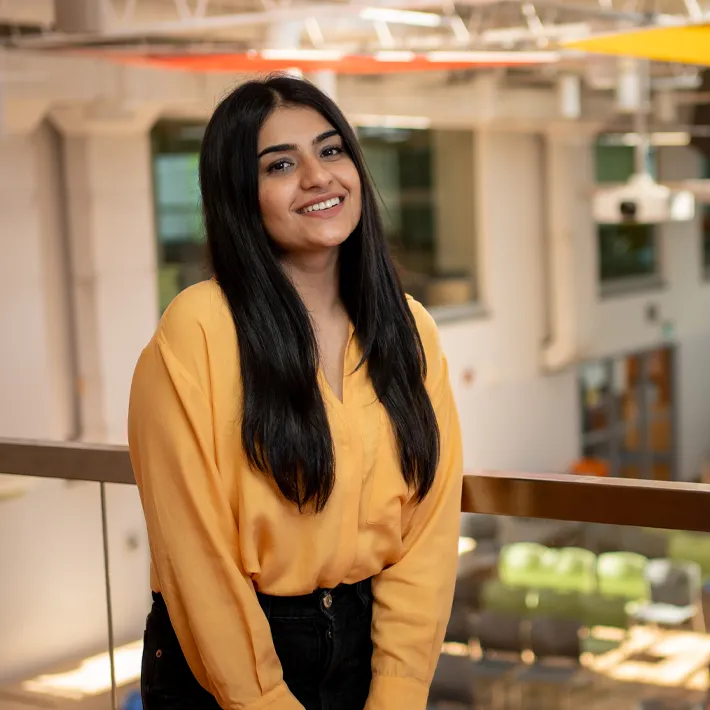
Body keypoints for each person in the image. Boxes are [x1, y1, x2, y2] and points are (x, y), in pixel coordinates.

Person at [128, 75, 463, 710]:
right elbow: (194, 556)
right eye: (281, 164)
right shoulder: (198, 328)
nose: (318, 176)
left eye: (331, 151)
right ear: (239, 195)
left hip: (369, 644)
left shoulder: (409, 328)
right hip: (226, 655)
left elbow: (430, 526)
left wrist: (398, 688)